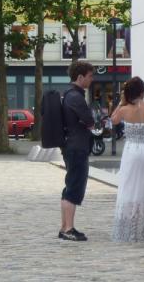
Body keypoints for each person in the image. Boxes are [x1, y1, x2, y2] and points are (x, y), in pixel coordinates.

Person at [110, 77, 144, 242]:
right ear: (143, 92)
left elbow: (113, 120)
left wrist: (121, 102)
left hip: (132, 151)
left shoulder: (125, 109)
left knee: (129, 187)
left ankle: (128, 230)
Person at [58, 61, 95, 242]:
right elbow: (89, 120)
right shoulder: (76, 97)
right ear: (80, 77)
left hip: (70, 145)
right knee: (74, 187)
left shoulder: (68, 95)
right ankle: (69, 228)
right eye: (89, 76)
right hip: (77, 146)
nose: (91, 79)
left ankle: (65, 226)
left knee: (69, 186)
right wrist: (89, 121)